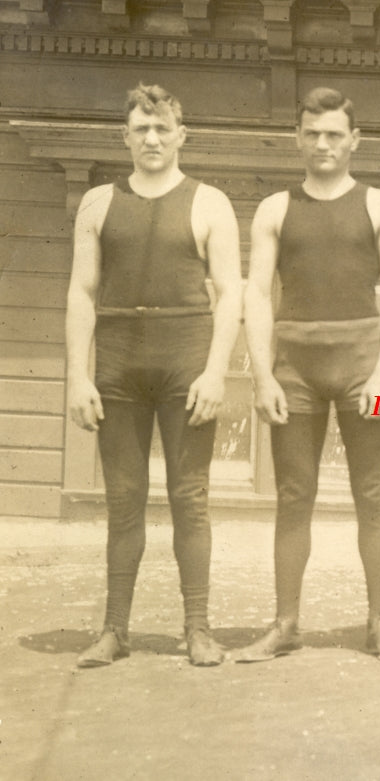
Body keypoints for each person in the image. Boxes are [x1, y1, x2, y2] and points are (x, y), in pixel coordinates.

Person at [66, 83, 243, 667]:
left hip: (185, 361)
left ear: (180, 135)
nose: (152, 138)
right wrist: (78, 376)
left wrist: (217, 372)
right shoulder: (97, 203)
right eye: (141, 128)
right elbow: (81, 293)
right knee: (124, 500)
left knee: (189, 498)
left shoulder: (209, 202)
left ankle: (198, 628)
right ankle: (115, 629)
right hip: (119, 363)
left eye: (162, 127)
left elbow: (232, 295)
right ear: (125, 136)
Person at [235, 87, 380, 663]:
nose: (323, 144)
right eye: (312, 134)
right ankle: (285, 623)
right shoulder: (275, 209)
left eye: (334, 134)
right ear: (297, 139)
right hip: (297, 368)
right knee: (293, 497)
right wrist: (262, 375)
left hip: (363, 362)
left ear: (354, 140)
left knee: (374, 495)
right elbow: (257, 294)